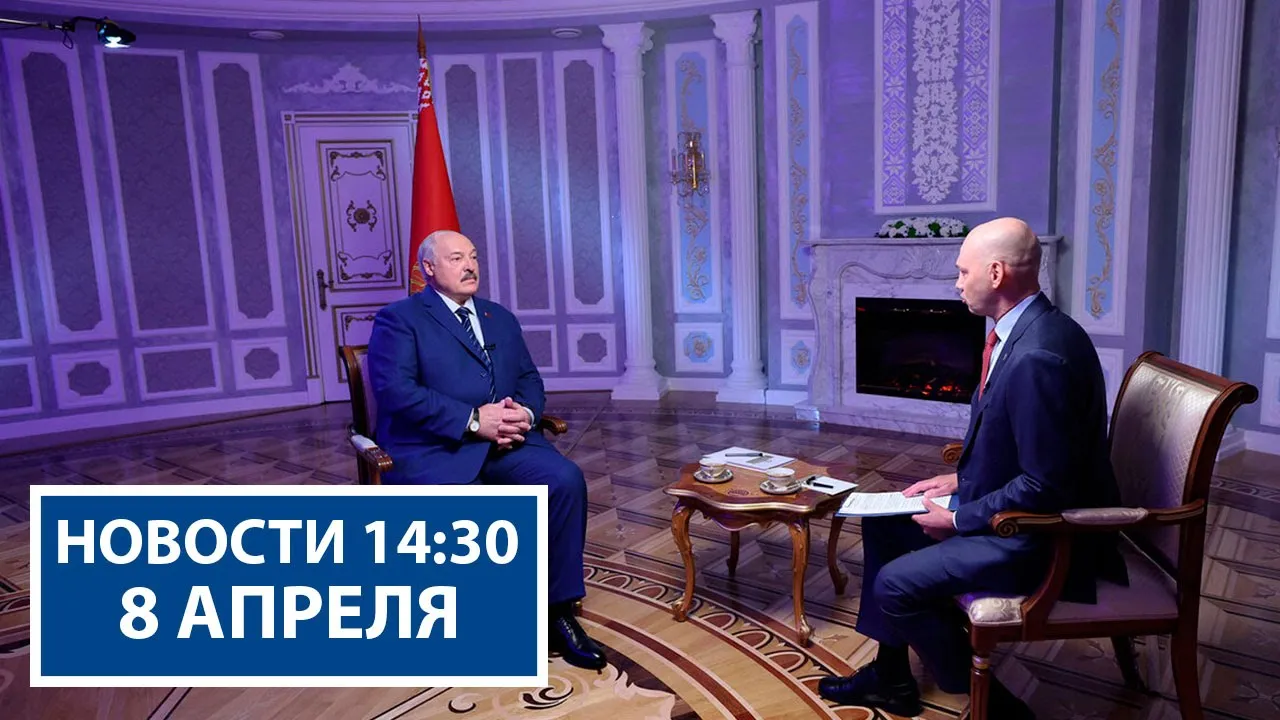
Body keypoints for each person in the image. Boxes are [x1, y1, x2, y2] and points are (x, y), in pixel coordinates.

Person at [816, 217, 1127, 718]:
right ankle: (891, 679)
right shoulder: (1029, 331)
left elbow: (1046, 485)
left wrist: (959, 517)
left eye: (964, 272)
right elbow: (1033, 451)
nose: (957, 283)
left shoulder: (1038, 356)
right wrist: (961, 479)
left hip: (1042, 541)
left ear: (996, 273)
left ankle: (1001, 710)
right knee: (886, 525)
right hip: (1015, 513)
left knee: (894, 584)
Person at [365, 229, 606, 671]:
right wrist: (474, 421)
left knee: (564, 479)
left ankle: (556, 611)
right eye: (456, 258)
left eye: (473, 256)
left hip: (505, 444)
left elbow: (529, 379)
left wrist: (525, 415)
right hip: (437, 448)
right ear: (429, 268)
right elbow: (396, 392)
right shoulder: (399, 319)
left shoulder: (500, 317)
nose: (470, 265)